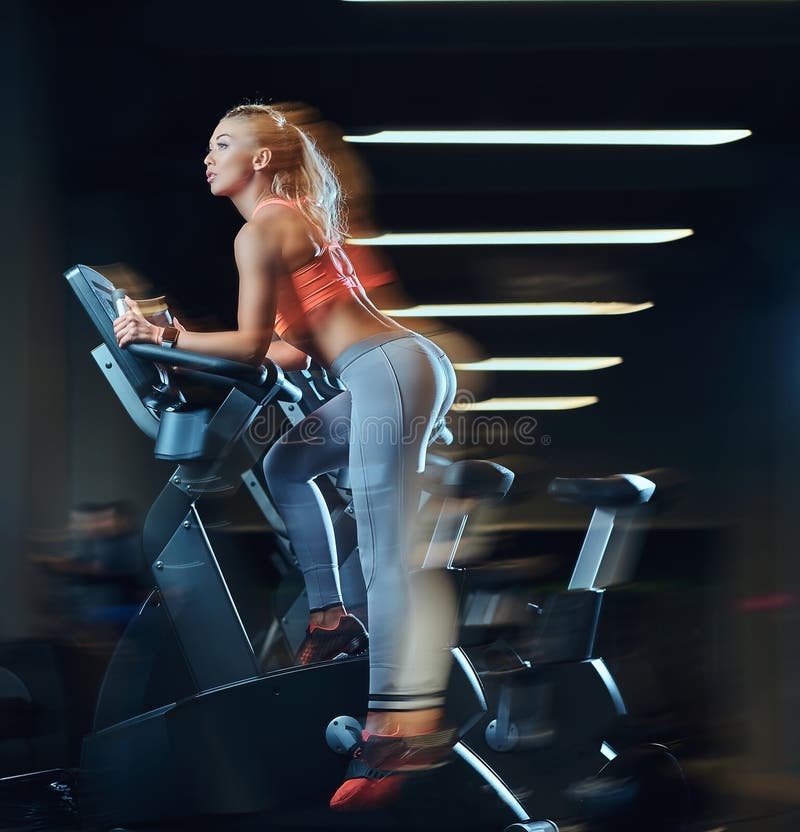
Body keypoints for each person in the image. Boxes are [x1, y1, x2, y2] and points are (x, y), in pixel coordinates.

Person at [113, 102, 457, 811]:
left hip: (387, 369)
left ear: (260, 158)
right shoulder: (278, 224)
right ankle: (332, 619)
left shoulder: (267, 224)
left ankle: (395, 730)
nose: (208, 157)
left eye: (223, 143)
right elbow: (285, 351)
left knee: (385, 548)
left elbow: (242, 348)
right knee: (287, 466)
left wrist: (166, 334)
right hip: (382, 370)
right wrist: (174, 345)